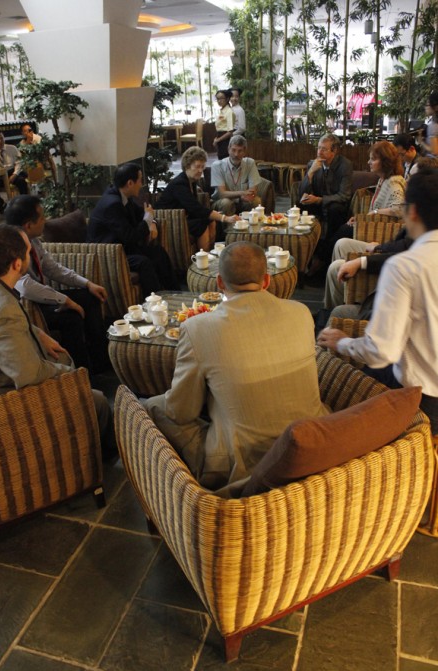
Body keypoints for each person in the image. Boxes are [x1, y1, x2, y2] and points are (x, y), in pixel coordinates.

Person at [145, 241, 328, 494]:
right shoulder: (302, 312)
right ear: (266, 281)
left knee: (153, 406)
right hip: (311, 445)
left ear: (219, 283)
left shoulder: (197, 328)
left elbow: (182, 412)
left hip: (244, 464)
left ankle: (169, 493)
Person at [318, 169, 438, 434]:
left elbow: (382, 351)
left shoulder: (405, 267)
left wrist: (342, 342)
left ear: (412, 212)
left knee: (331, 377)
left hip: (420, 400)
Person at [0, 224, 116, 455]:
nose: (31, 255)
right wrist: (67, 373)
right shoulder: (4, 310)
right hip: (0, 400)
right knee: (98, 402)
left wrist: (39, 334)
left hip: (0, 373)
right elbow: (28, 375)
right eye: (28, 252)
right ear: (17, 264)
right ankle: (97, 460)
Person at [5, 195, 110, 374]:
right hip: (27, 306)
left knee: (89, 296)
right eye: (42, 217)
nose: (45, 220)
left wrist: (87, 283)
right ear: (28, 225)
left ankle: (101, 360)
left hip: (43, 296)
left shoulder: (34, 241)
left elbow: (53, 269)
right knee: (71, 318)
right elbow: (26, 287)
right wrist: (65, 300)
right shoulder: (10, 248)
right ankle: (81, 373)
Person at [88, 162, 177, 296]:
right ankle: (155, 301)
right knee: (144, 263)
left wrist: (151, 222)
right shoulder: (112, 204)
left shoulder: (122, 196)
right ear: (130, 183)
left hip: (121, 246)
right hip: (107, 252)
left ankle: (175, 293)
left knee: (158, 251)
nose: (141, 184)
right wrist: (148, 220)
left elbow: (143, 213)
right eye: (140, 180)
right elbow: (130, 236)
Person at [155, 146, 238, 252]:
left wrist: (216, 216)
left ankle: (211, 252)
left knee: (210, 220)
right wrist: (225, 218)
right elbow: (196, 209)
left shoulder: (191, 181)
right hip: (168, 220)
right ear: (187, 165)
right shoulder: (179, 184)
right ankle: (204, 256)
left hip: (182, 217)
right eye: (197, 166)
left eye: (202, 167)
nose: (200, 170)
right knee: (200, 225)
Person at [299, 133, 353, 277]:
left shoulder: (345, 165)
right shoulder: (313, 164)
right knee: (302, 205)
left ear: (334, 151)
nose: (319, 152)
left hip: (336, 205)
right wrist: (310, 173)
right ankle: (303, 256)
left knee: (334, 210)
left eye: (324, 149)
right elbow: (301, 193)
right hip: (317, 204)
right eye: (318, 148)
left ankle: (322, 261)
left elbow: (344, 196)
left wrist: (320, 200)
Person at [210, 134, 261, 218]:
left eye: (240, 151)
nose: (236, 154)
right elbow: (222, 194)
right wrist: (242, 193)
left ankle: (251, 226)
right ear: (228, 149)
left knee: (256, 201)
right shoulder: (217, 165)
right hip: (221, 201)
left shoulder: (250, 163)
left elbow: (253, 191)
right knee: (226, 203)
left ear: (245, 152)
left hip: (242, 200)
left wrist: (247, 195)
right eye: (233, 150)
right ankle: (228, 226)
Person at [0, 130, 28, 214]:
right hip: (0, 175)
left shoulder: (12, 148)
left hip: (12, 172)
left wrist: (15, 174)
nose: (0, 141)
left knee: (21, 181)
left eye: (1, 138)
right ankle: (2, 206)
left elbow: (20, 163)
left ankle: (24, 205)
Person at [213, 89, 236, 160]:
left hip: (226, 140)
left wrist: (218, 140)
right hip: (220, 137)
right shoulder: (222, 111)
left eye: (221, 98)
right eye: (217, 99)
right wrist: (217, 139)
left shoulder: (229, 112)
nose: (219, 101)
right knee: (221, 159)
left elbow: (230, 132)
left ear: (227, 99)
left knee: (225, 159)